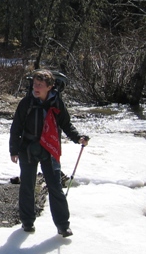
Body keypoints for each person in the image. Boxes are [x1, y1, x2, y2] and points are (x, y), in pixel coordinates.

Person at [9, 69, 89, 236]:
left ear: (50, 87)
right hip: (28, 149)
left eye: (40, 85)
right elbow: (16, 127)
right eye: (34, 84)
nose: (36, 88)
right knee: (27, 186)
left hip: (50, 149)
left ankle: (63, 226)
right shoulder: (26, 102)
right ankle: (27, 223)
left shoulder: (57, 103)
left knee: (55, 187)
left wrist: (78, 138)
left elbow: (66, 124)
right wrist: (14, 150)